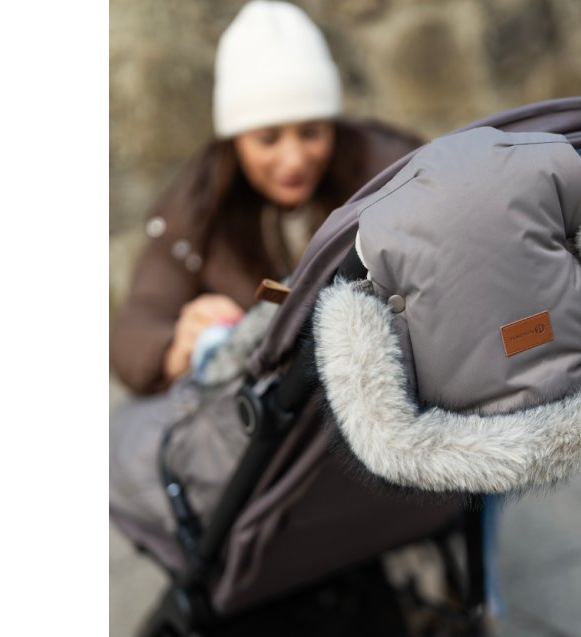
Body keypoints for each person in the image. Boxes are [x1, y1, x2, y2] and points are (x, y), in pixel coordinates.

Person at [110, 0, 422, 395]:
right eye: (268, 139)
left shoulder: (390, 168)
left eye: (311, 132)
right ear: (236, 140)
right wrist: (178, 344)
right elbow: (134, 329)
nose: (293, 160)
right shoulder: (198, 205)